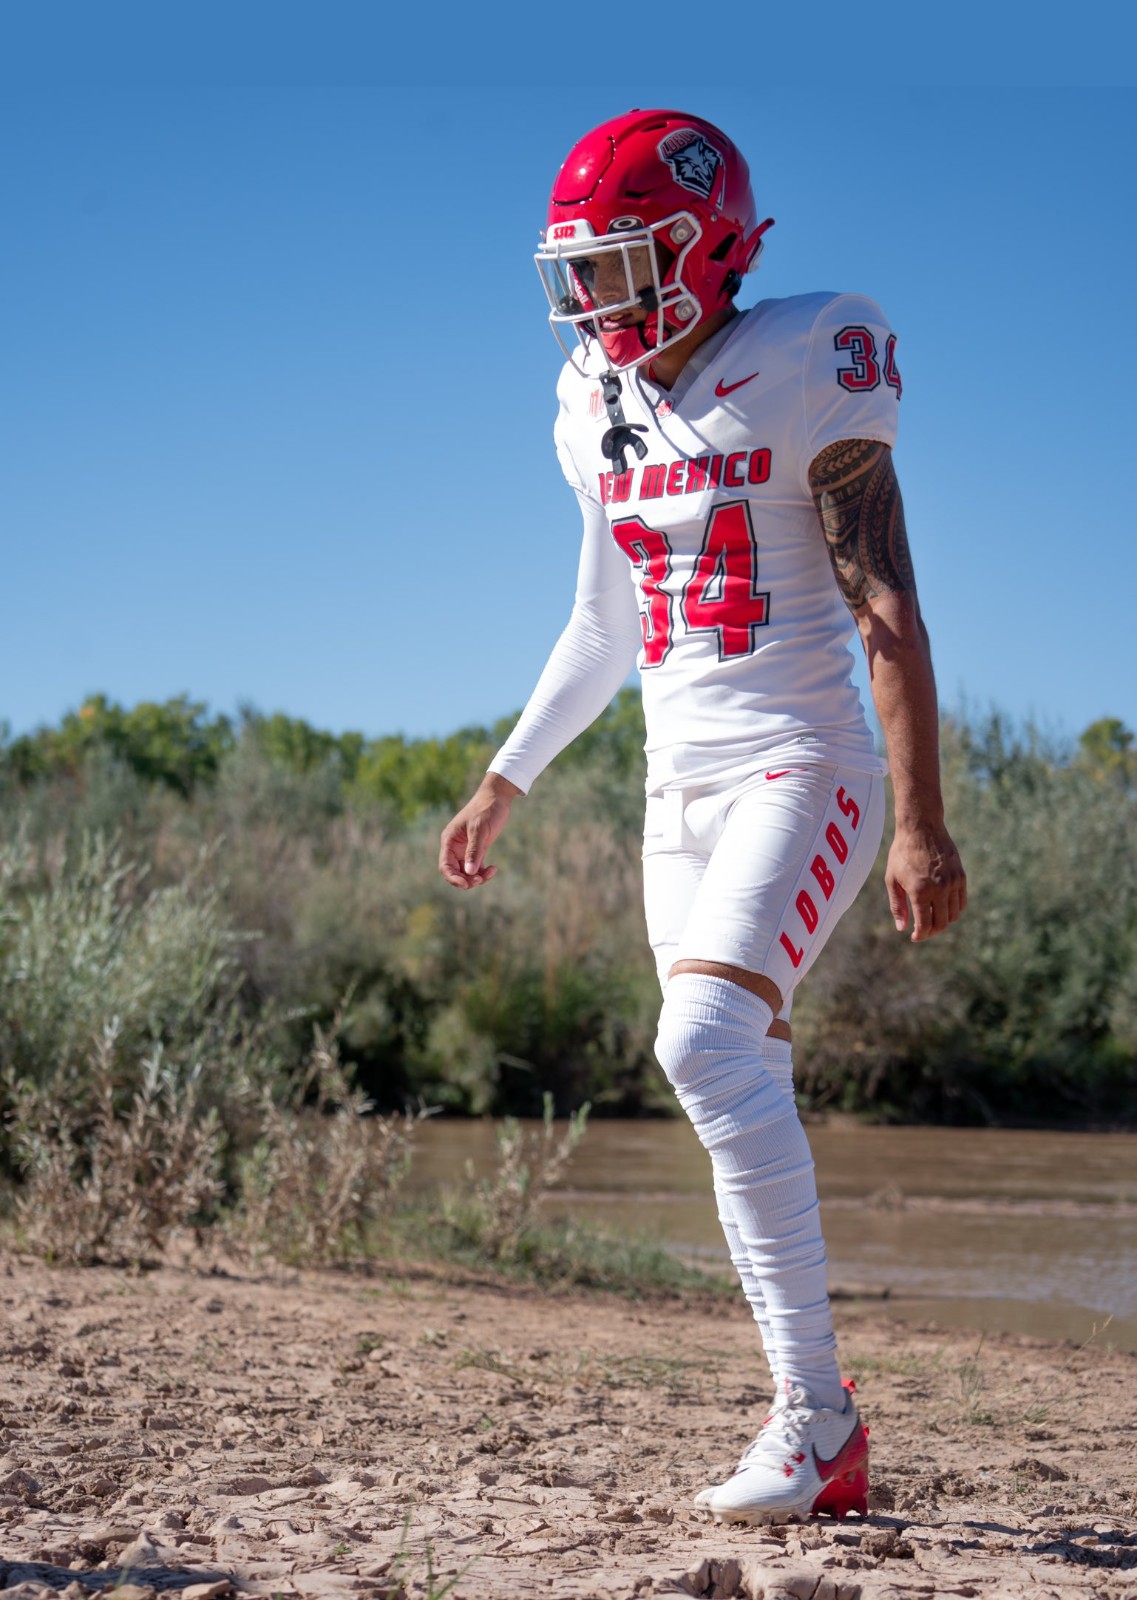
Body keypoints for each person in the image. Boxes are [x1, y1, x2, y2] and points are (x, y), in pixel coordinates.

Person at [439, 108, 966, 1525]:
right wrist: (507, 774)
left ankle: (814, 1418)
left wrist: (919, 818)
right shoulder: (590, 401)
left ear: (704, 247)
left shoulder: (809, 352)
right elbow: (602, 620)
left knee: (702, 1040)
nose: (592, 296)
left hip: (802, 761)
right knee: (731, 1078)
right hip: (674, 791)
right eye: (580, 269)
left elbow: (885, 601)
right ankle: (819, 1424)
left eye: (618, 264)